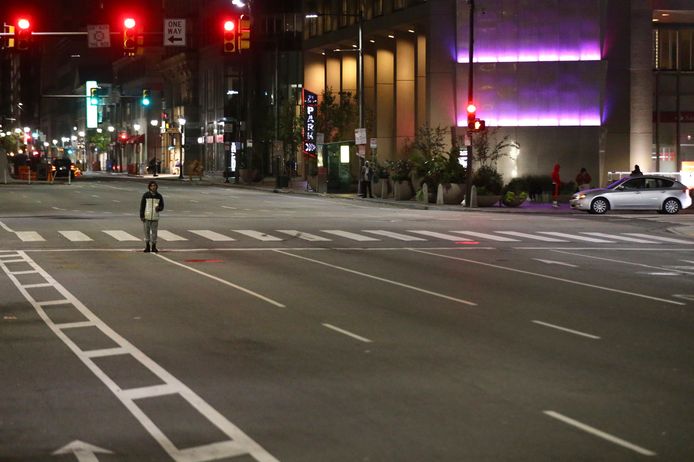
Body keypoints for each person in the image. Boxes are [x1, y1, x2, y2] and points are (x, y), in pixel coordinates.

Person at [139, 181, 164, 253]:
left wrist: (159, 208)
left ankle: (154, 246)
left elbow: (162, 206)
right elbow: (142, 206)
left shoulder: (159, 196)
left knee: (154, 232)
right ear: (149, 187)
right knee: (146, 232)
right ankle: (147, 246)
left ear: (156, 187)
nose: (153, 187)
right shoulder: (146, 195)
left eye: (154, 186)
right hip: (146, 216)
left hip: (155, 217)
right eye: (152, 186)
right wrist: (142, 216)